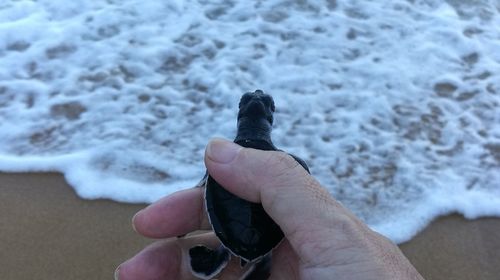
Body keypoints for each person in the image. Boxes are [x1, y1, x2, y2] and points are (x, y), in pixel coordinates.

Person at [115, 138, 424, 280]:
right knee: (260, 253)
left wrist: (182, 228)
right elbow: (297, 183)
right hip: (269, 238)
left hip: (230, 228)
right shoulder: (284, 164)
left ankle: (222, 255)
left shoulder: (224, 165)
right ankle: (248, 261)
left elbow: (204, 188)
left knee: (221, 234)